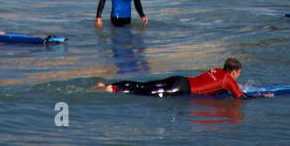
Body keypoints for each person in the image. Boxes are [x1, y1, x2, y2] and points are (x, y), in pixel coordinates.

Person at [98, 57, 247, 98]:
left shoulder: (215, 70)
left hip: (180, 79)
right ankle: (115, 90)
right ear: (234, 71)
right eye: (239, 73)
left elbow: (211, 84)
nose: (237, 77)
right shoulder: (228, 80)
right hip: (182, 89)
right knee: (149, 94)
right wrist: (265, 96)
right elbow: (241, 98)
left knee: (144, 84)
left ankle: (111, 85)